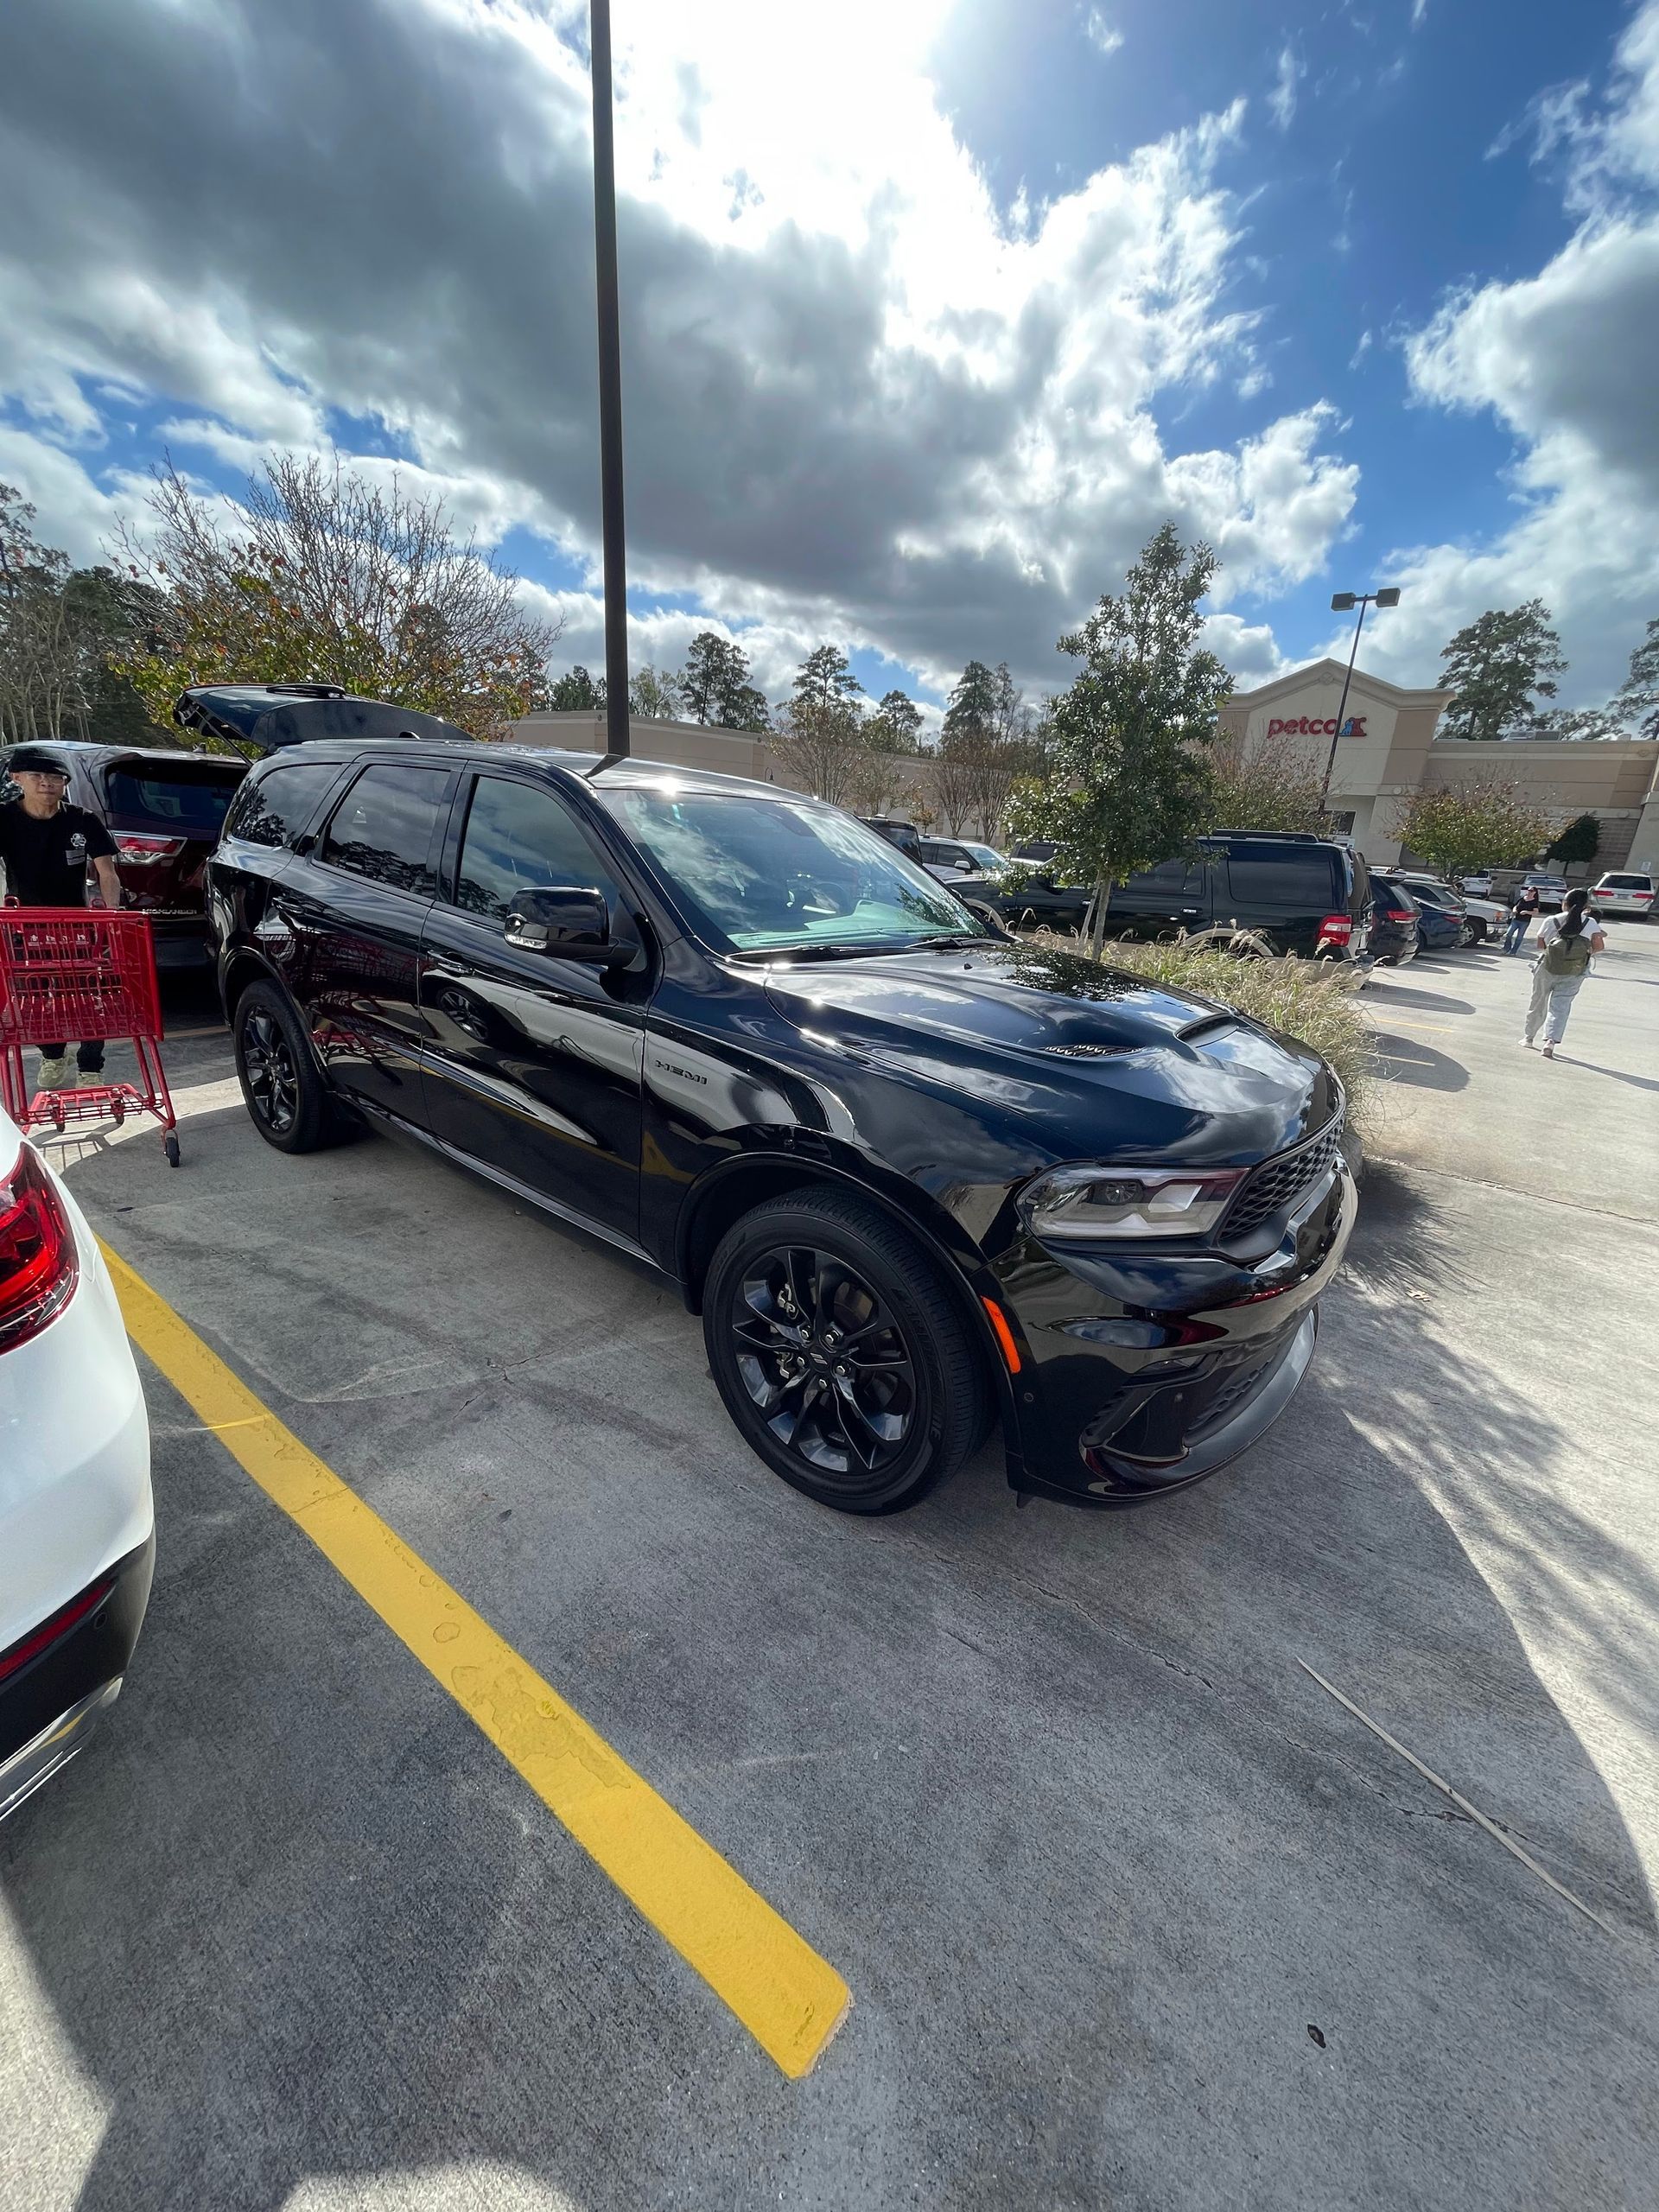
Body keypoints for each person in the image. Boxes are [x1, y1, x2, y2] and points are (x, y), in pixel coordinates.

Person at [0, 744, 122, 1089]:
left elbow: (107, 873)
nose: (46, 783)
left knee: (88, 997)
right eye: (37, 775)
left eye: (55, 777)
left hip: (77, 925)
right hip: (24, 924)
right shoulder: (5, 818)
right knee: (35, 999)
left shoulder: (82, 820)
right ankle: (53, 1054)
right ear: (17, 778)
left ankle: (90, 1066)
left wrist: (110, 918)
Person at [1522, 888, 1605, 1058]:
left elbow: (1540, 945)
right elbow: (1599, 947)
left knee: (1538, 1001)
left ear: (1564, 904)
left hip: (1547, 968)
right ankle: (1550, 1042)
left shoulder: (1551, 920)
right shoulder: (1591, 923)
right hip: (1574, 971)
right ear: (1586, 906)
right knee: (1561, 1006)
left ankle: (1529, 1038)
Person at [1503, 881, 1540, 954]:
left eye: (1531, 891)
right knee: (1509, 934)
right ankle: (1506, 948)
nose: (1529, 892)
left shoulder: (1535, 902)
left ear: (1535, 892)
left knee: (1519, 937)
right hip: (1516, 919)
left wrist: (1526, 912)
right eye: (1528, 890)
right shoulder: (1522, 899)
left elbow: (1536, 912)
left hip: (1524, 922)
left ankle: (1513, 952)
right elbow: (1516, 905)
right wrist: (1514, 910)